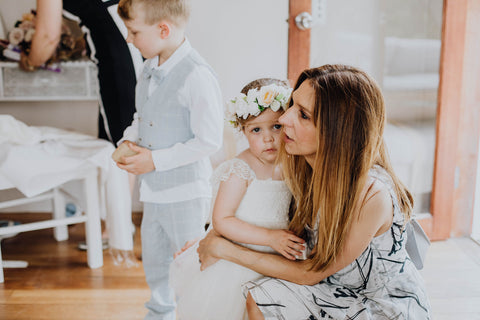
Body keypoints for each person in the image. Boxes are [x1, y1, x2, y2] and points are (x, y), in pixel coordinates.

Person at [197, 64, 432, 319]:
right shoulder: (304, 165)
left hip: (380, 306)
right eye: (292, 106)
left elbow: (310, 273)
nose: (284, 118)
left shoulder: (371, 195)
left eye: (303, 115)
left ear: (337, 132)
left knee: (264, 297)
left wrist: (223, 249)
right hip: (335, 288)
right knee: (257, 291)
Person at [115, 0, 223, 319]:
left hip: (185, 192)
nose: (128, 39)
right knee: (156, 261)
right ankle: (160, 312)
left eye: (134, 31)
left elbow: (208, 140)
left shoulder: (197, 75)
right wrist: (128, 138)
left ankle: (194, 312)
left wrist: (155, 161)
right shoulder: (149, 68)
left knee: (188, 262)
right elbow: (142, 115)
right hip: (154, 192)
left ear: (163, 29)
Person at [169, 78, 303, 320]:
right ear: (243, 131)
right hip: (238, 258)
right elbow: (222, 220)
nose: (268, 138)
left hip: (276, 257)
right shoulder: (240, 168)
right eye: (256, 130)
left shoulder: (294, 163)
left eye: (276, 127)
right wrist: (270, 237)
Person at [18, 0, 143, 145]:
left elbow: (47, 37)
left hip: (122, 55)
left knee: (123, 143)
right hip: (151, 43)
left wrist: (30, 60)